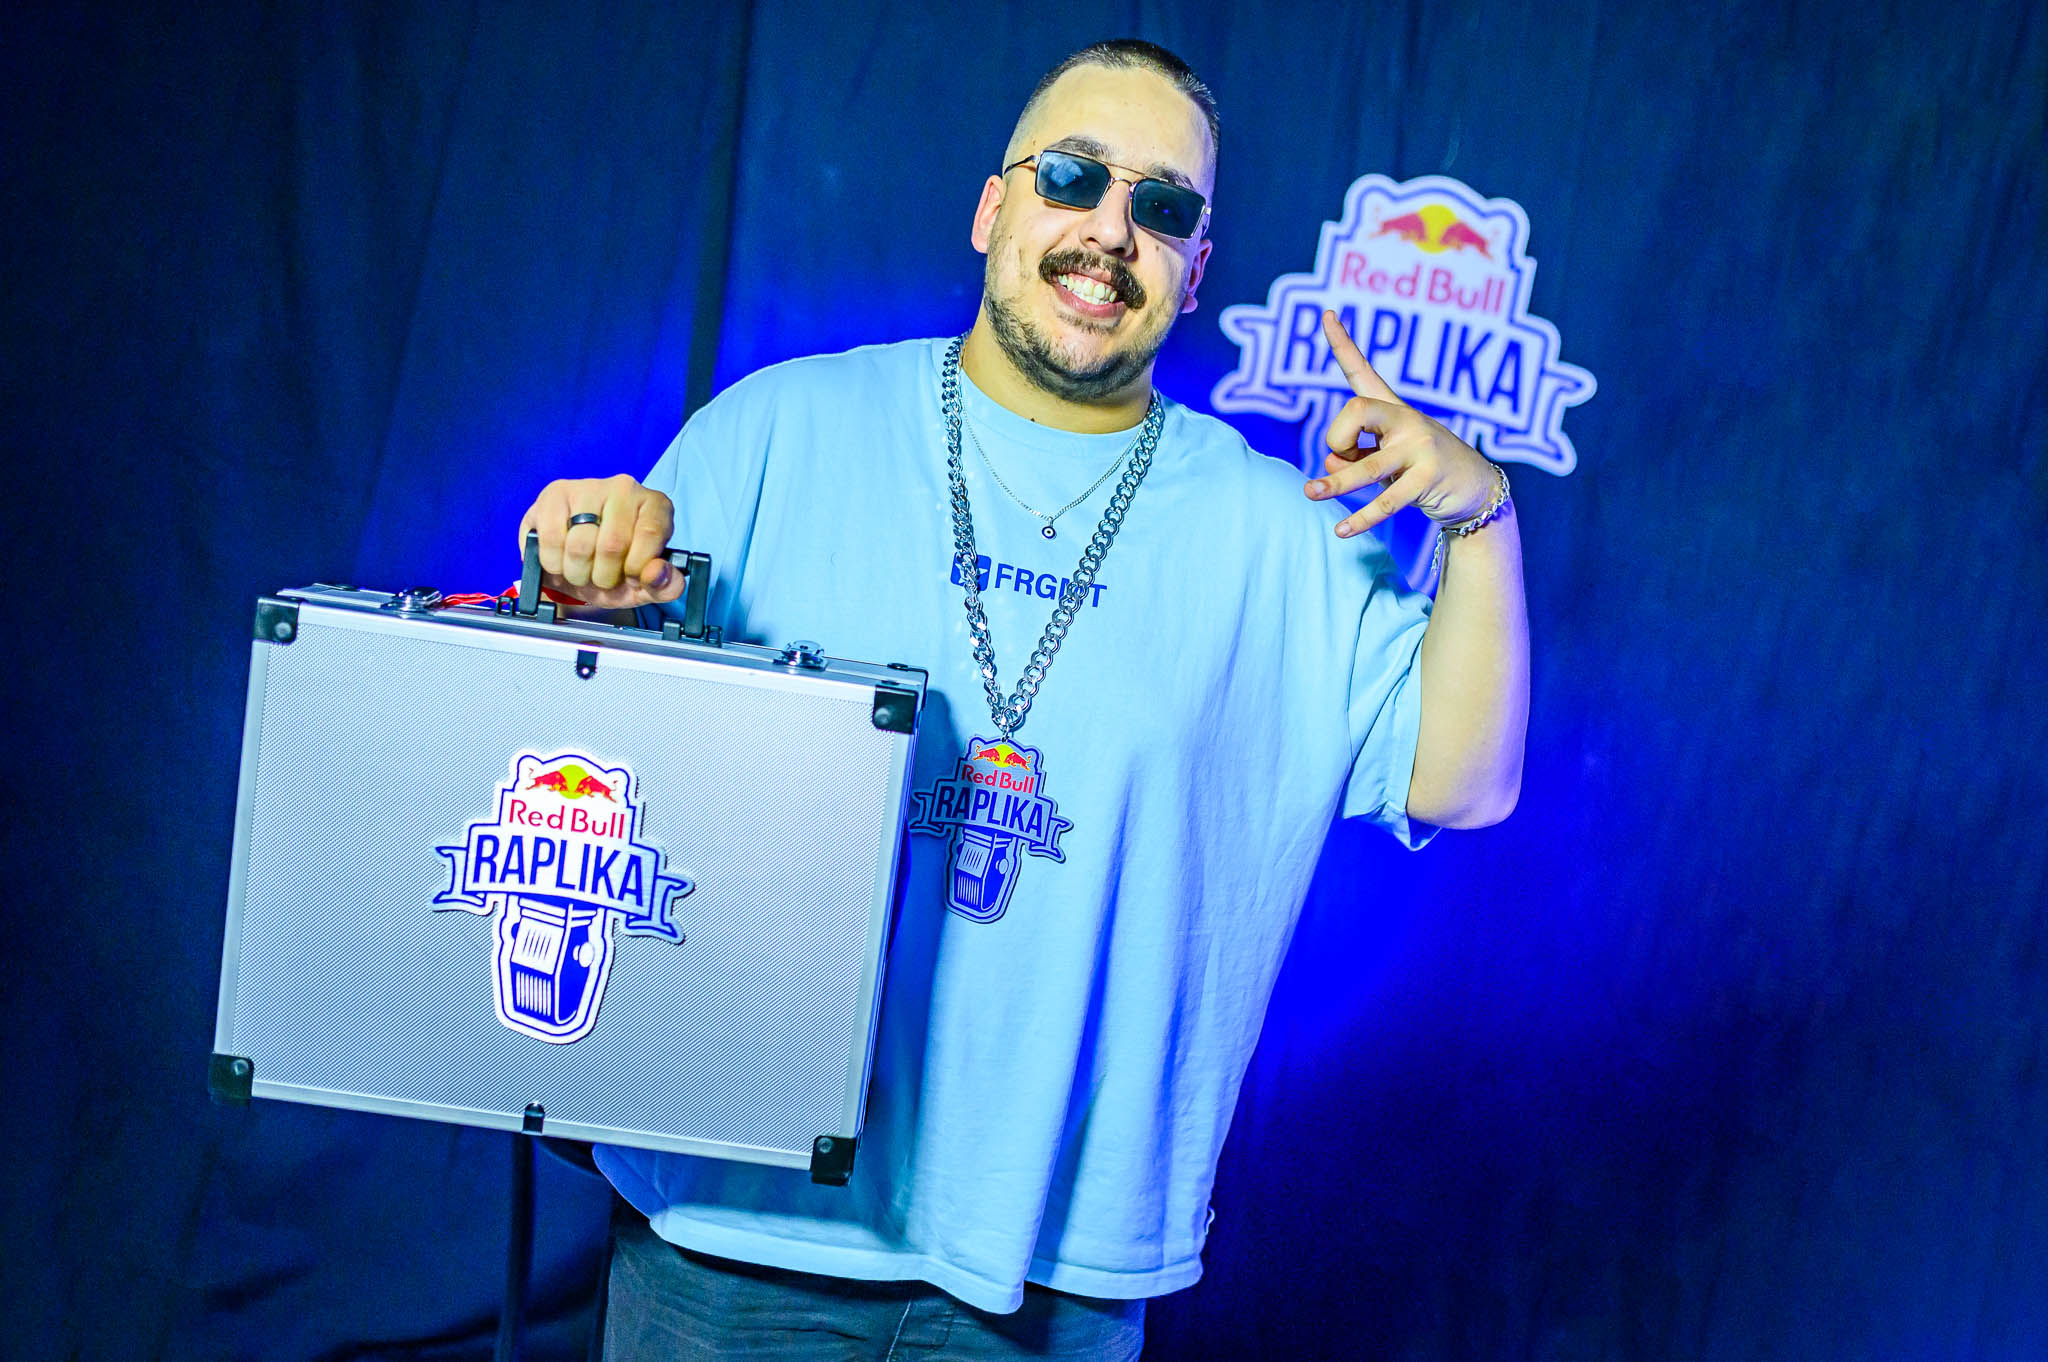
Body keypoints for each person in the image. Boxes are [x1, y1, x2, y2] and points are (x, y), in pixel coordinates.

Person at [517, 38, 1526, 1361]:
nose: (1110, 228)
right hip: (732, 1228)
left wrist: (1480, 515)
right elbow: (590, 731)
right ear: (994, 209)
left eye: (1161, 206)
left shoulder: (1285, 534)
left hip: (1055, 1275)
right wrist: (577, 578)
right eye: (1072, 177)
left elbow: (1465, 781)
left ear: (1195, 268)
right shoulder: (778, 429)